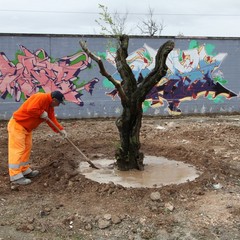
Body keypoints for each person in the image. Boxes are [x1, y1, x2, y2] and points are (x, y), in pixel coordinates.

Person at [7, 91, 67, 185]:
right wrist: (41, 112)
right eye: (59, 103)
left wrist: (60, 130)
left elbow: (51, 119)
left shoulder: (50, 106)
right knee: (18, 150)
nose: (58, 105)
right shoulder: (41, 97)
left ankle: (24, 169)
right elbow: (30, 108)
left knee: (27, 148)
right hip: (18, 125)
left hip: (27, 128)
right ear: (54, 100)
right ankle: (15, 176)